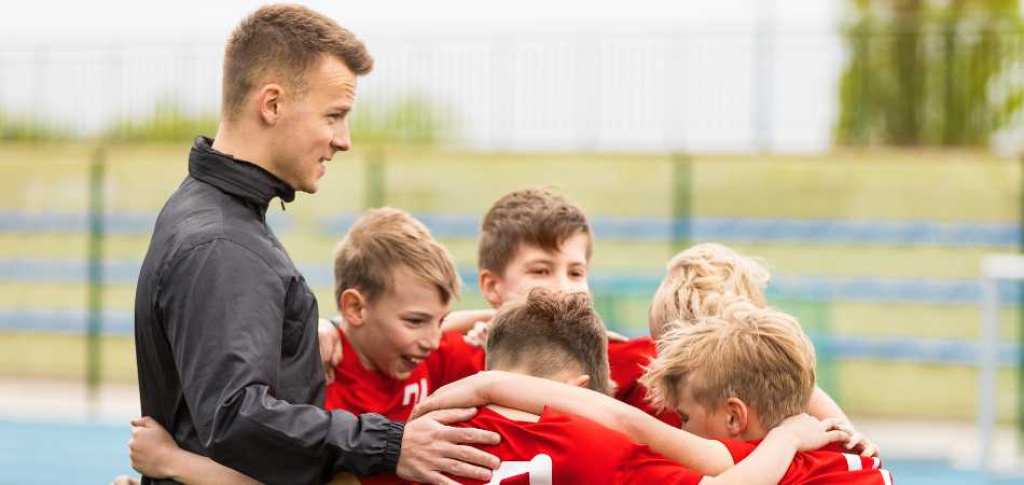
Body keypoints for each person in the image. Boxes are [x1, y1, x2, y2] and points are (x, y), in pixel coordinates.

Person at [132, 5, 498, 485]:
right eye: (335, 116)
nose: (343, 140)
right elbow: (235, 417)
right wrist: (388, 444)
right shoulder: (224, 244)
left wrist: (314, 332)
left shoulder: (217, 217)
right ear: (273, 105)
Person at [120, 290, 853, 485]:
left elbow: (296, 473)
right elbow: (717, 457)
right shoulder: (609, 448)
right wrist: (805, 419)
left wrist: (174, 464)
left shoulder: (428, 442)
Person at [641, 299, 893, 483]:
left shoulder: (754, 465)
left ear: (733, 416)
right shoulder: (855, 460)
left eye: (685, 418)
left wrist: (786, 438)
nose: (681, 430)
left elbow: (628, 423)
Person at [322, 207, 490, 421]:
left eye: (441, 321)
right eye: (415, 321)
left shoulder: (432, 356)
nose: (433, 342)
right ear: (355, 308)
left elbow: (529, 339)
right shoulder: (317, 372)